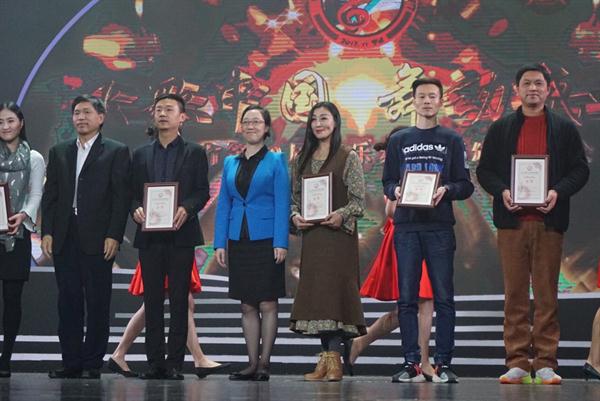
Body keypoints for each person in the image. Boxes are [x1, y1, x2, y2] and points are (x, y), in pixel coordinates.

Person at [477, 64, 589, 385]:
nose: (533, 89)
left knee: (546, 295)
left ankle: (545, 363)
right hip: (511, 224)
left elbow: (580, 170)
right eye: (526, 83)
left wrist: (557, 191)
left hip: (548, 223)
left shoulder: (564, 129)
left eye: (539, 83)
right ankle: (516, 361)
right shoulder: (501, 129)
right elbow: (484, 171)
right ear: (517, 89)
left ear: (548, 89)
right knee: (514, 294)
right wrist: (502, 191)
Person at [382, 77, 474, 383]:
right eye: (421, 96)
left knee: (444, 297)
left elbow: (465, 185)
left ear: (440, 101)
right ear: (413, 100)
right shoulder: (399, 140)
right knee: (407, 298)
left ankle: (443, 363)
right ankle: (411, 363)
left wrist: (446, 189)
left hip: (439, 227)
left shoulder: (452, 139)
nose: (426, 101)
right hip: (407, 227)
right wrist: (395, 191)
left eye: (432, 96)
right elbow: (388, 180)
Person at [41, 95, 131, 379]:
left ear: (101, 118)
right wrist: (47, 231)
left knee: (97, 302)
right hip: (64, 237)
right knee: (67, 302)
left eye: (87, 112)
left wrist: (114, 234)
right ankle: (71, 362)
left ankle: (92, 363)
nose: (81, 117)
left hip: (99, 239)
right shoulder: (59, 152)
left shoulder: (116, 151)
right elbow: (50, 197)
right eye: (77, 113)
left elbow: (121, 198)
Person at [131, 93, 210, 380]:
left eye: (169, 109)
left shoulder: (195, 152)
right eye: (158, 109)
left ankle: (175, 363)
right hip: (150, 237)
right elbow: (131, 193)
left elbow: (202, 191)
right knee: (152, 301)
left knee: (179, 301)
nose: (162, 114)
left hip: (181, 235)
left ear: (182, 117)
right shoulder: (141, 154)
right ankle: (154, 363)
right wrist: (135, 209)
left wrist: (187, 208)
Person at [289, 101, 366, 382]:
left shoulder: (348, 157)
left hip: (338, 237)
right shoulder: (301, 159)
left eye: (324, 118)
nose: (318, 124)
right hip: (313, 238)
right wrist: (295, 216)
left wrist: (341, 214)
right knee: (318, 297)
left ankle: (334, 362)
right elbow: (295, 199)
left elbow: (358, 201)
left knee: (335, 295)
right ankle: (326, 361)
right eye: (314, 119)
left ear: (335, 122)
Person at [214, 105, 290, 382]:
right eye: (246, 121)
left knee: (267, 303)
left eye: (257, 122)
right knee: (247, 304)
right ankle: (251, 362)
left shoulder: (276, 161)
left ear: (266, 128)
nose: (251, 126)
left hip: (267, 239)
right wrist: (219, 242)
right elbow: (224, 204)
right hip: (239, 240)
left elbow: (283, 203)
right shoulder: (230, 163)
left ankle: (264, 364)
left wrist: (281, 241)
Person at [353, 140, 435, 378]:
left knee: (412, 305)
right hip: (406, 236)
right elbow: (390, 210)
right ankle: (422, 362)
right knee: (419, 301)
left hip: (426, 236)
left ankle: (361, 342)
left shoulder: (427, 167)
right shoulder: (398, 171)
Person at [109, 259, 229, 378]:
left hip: (174, 252)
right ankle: (200, 360)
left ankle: (119, 354)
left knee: (160, 304)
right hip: (166, 253)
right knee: (172, 302)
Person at [0, 102, 45, 377]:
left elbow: (36, 194)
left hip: (17, 235)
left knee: (12, 298)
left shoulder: (34, 158)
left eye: (10, 121)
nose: (5, 126)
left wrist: (24, 214)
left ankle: (5, 358)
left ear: (21, 123)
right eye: (0, 122)